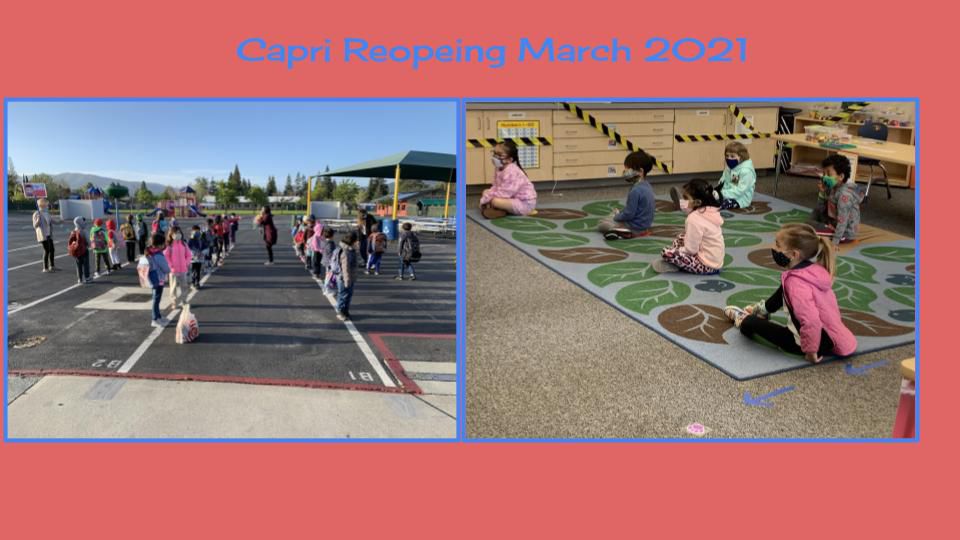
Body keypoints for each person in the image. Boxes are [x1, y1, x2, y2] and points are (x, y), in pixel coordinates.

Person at [724, 223, 857, 363]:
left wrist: (810, 351)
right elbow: (782, 293)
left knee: (750, 324)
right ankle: (762, 310)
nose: (773, 248)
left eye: (777, 245)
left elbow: (811, 320)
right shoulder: (811, 270)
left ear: (793, 254)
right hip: (834, 337)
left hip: (809, 343)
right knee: (784, 288)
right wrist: (763, 309)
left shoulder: (796, 284)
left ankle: (742, 318)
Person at [654, 179, 725, 274]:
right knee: (680, 238)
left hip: (706, 265)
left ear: (698, 202)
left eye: (686, 198)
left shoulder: (693, 219)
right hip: (716, 261)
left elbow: (691, 250)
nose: (683, 201)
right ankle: (680, 261)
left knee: (667, 252)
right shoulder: (710, 210)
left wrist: (678, 250)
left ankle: (677, 265)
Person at [674, 142, 757, 211]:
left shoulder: (746, 172)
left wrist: (721, 194)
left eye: (732, 156)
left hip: (740, 200)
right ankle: (682, 203)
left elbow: (740, 191)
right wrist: (718, 191)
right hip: (725, 193)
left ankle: (688, 206)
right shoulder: (730, 167)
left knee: (716, 204)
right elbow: (723, 180)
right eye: (727, 156)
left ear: (741, 157)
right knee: (707, 197)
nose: (729, 158)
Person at [598, 150, 656, 240]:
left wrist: (616, 217)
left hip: (634, 227)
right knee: (616, 214)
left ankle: (624, 233)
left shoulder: (636, 191)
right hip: (645, 225)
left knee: (603, 223)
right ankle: (626, 230)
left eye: (628, 169)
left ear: (640, 171)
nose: (625, 171)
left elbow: (629, 214)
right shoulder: (647, 186)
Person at [811, 154, 864, 247]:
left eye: (828, 174)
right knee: (813, 218)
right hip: (832, 221)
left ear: (841, 176)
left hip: (845, 233)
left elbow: (842, 221)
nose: (824, 177)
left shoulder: (845, 196)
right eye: (824, 174)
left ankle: (822, 230)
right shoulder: (833, 187)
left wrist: (834, 243)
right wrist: (822, 193)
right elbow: (820, 207)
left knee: (810, 230)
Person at [479, 140, 537, 219]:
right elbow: (496, 186)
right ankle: (498, 210)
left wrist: (487, 198)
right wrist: (488, 195)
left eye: (499, 155)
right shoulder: (499, 168)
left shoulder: (511, 171)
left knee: (495, 201)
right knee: (485, 191)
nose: (495, 157)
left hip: (524, 203)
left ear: (509, 159)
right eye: (494, 153)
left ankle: (498, 209)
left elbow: (505, 193)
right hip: (511, 198)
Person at [145, 233, 171, 328]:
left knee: (156, 299)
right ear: (160, 244)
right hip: (158, 279)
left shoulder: (150, 251)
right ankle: (155, 319)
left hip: (153, 279)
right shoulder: (158, 255)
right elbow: (166, 269)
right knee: (156, 300)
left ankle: (158, 316)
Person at [164, 226, 192, 310]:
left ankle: (184, 301)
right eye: (176, 233)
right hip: (173, 270)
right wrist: (171, 265)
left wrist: (186, 263)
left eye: (179, 233)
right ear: (171, 235)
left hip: (183, 269)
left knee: (184, 286)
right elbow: (166, 256)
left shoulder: (184, 244)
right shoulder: (170, 245)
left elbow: (189, 255)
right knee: (173, 287)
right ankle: (174, 302)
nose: (178, 235)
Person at [332, 231, 358, 321]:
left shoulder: (350, 250)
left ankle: (345, 311)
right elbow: (345, 268)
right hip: (344, 278)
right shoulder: (345, 252)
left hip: (349, 277)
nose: (357, 242)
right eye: (356, 241)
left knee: (348, 295)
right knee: (343, 295)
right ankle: (340, 311)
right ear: (352, 241)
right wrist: (347, 281)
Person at [32, 198, 59, 273]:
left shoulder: (47, 213)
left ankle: (52, 266)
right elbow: (35, 226)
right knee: (47, 250)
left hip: (49, 234)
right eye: (46, 204)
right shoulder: (36, 214)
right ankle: (45, 268)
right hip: (43, 234)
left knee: (52, 250)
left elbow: (52, 221)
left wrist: (60, 221)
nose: (47, 205)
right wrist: (37, 220)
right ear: (42, 205)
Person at [67, 216, 91, 284]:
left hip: (76, 251)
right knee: (85, 264)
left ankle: (80, 279)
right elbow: (88, 240)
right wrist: (89, 245)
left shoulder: (74, 231)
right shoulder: (83, 230)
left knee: (78, 265)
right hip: (84, 250)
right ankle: (87, 278)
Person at [187, 225, 207, 289]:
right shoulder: (191, 239)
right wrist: (193, 254)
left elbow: (205, 247)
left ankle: (197, 282)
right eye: (195, 231)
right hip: (193, 258)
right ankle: (193, 282)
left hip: (200, 257)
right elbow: (188, 248)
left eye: (197, 231)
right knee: (193, 270)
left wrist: (202, 253)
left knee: (198, 270)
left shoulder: (202, 238)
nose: (196, 233)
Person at [319, 228, 337, 296]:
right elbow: (332, 254)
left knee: (328, 275)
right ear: (332, 235)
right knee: (329, 276)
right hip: (330, 262)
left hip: (325, 261)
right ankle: (327, 290)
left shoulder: (323, 242)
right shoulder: (330, 244)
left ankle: (326, 289)